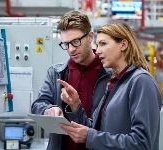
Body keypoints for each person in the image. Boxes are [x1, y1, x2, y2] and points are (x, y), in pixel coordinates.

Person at [58, 22, 162, 150]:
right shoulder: (113, 83)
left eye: (103, 44)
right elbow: (95, 129)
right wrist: (75, 105)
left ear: (123, 45)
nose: (98, 51)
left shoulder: (141, 81)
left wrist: (91, 137)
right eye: (97, 45)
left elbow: (142, 143)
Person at [31, 10, 111, 150]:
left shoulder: (109, 75)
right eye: (66, 44)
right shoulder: (56, 73)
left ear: (90, 36)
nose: (71, 49)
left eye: (75, 42)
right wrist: (49, 109)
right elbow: (38, 104)